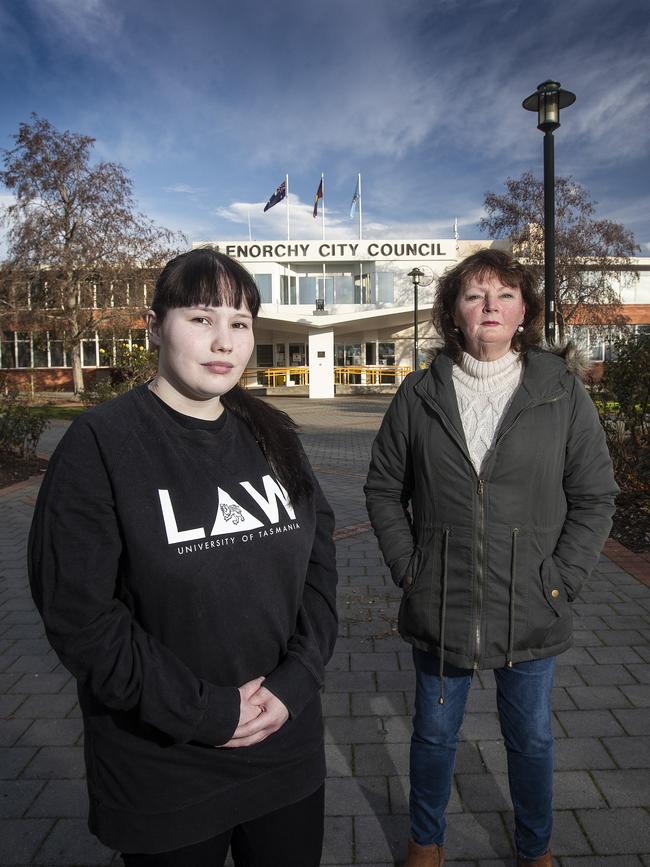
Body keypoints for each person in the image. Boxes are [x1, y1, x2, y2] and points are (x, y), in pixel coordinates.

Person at [28, 248, 338, 867]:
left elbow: (319, 570)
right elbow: (81, 618)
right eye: (201, 318)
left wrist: (297, 681)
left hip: (284, 748)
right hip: (166, 767)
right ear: (153, 325)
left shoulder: (271, 433)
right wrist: (209, 711)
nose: (224, 340)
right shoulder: (100, 445)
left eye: (240, 322)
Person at [365, 249, 617, 867]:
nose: (490, 307)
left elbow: (594, 496)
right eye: (475, 295)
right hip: (441, 602)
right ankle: (426, 842)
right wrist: (409, 567)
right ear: (454, 311)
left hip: (531, 602)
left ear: (523, 309)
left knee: (529, 739)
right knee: (432, 737)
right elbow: (381, 489)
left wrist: (560, 581)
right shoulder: (421, 392)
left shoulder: (560, 392)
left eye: (504, 294)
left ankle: (535, 847)